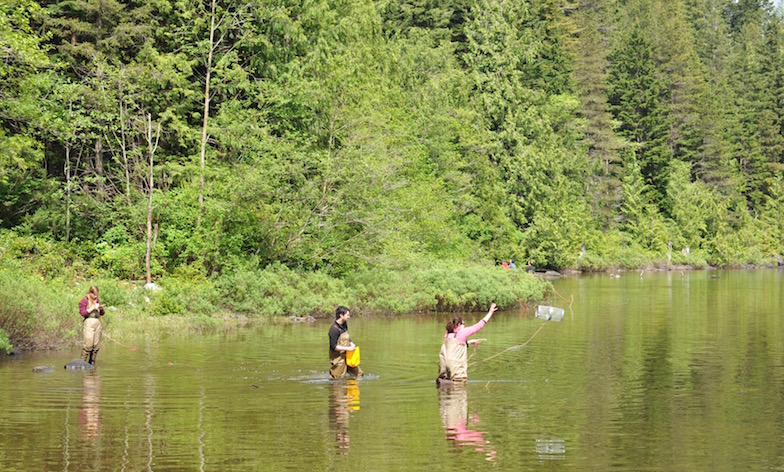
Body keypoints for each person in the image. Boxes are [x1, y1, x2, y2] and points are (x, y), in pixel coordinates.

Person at [437, 303, 498, 384]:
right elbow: (478, 326)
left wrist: (468, 342)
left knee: (444, 389)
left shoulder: (447, 334)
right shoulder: (462, 332)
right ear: (458, 324)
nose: (464, 326)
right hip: (456, 371)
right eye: (463, 324)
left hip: (443, 369)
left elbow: (453, 346)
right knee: (459, 387)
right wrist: (490, 312)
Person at [328, 306, 363, 379]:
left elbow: (347, 337)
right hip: (338, 359)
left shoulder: (344, 324)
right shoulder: (333, 329)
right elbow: (333, 346)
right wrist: (348, 349)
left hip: (348, 356)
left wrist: (351, 343)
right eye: (347, 315)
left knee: (359, 374)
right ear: (341, 315)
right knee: (337, 379)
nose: (349, 317)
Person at [79, 285, 105, 365]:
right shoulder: (84, 301)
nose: (95, 296)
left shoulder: (97, 300)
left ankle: (92, 363)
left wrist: (101, 309)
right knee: (88, 345)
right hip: (89, 323)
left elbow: (102, 313)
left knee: (96, 346)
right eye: (94, 294)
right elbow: (83, 313)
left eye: (97, 294)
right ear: (90, 293)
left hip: (97, 323)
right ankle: (81, 363)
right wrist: (92, 308)